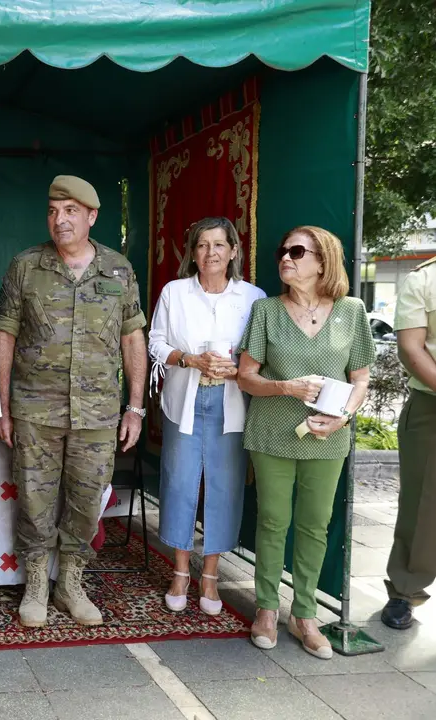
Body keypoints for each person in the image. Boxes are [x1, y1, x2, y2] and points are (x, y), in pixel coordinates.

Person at [0, 175, 148, 628]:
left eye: (70, 211)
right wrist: (1, 407)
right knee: (35, 501)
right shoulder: (26, 266)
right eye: (53, 211)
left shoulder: (118, 269)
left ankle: (72, 584)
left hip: (97, 414)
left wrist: (135, 407)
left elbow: (132, 338)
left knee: (85, 502)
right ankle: (37, 583)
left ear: (91, 216)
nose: (59, 220)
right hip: (35, 411)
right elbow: (4, 337)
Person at [237, 226, 375, 660]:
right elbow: (246, 376)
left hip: (329, 438)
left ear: (323, 260)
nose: (286, 258)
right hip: (272, 434)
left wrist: (343, 419)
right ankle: (264, 608)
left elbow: (361, 379)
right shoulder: (266, 311)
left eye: (298, 251)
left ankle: (305, 614)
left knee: (316, 525)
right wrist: (287, 388)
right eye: (284, 251)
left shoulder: (351, 311)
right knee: (273, 521)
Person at [148, 217, 265, 615]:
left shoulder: (253, 297)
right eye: (202, 245)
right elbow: (156, 343)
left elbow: (262, 354)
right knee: (180, 483)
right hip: (184, 400)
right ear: (192, 253)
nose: (210, 252)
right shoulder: (175, 292)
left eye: (219, 245)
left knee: (225, 486)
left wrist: (236, 369)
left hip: (230, 403)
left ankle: (211, 575)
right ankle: (181, 572)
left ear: (234, 251)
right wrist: (189, 359)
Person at [381, 256, 436, 630]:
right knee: (422, 505)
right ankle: (405, 590)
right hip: (432, 404)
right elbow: (411, 349)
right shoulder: (425, 280)